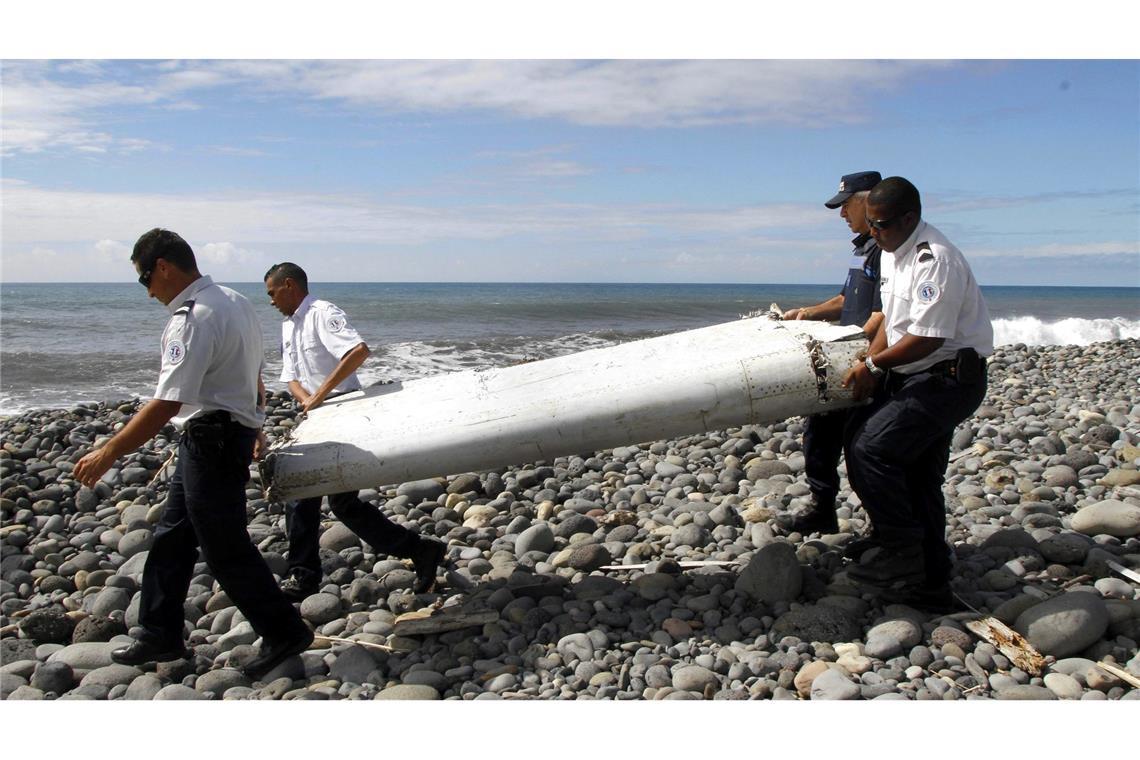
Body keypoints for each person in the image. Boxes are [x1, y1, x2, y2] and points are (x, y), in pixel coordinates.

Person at [74, 229, 312, 679]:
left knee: (224, 546)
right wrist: (254, 423)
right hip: (219, 434)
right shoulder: (235, 302)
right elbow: (251, 371)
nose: (148, 292)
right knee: (173, 535)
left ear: (163, 267)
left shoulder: (193, 316)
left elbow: (166, 403)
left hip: (213, 440)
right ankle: (158, 630)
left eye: (145, 279)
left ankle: (284, 630)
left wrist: (109, 451)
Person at [841, 177, 993, 608]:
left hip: (947, 379)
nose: (873, 233)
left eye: (882, 225)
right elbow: (892, 317)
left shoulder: (935, 261)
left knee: (873, 449)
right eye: (869, 224)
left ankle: (902, 550)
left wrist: (872, 365)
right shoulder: (893, 251)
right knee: (913, 473)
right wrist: (872, 362)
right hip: (915, 374)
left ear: (910, 218)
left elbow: (927, 337)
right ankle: (931, 582)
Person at [264, 262, 446, 600]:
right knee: (335, 502)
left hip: (343, 409)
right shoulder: (288, 326)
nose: (270, 301)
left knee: (312, 495)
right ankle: (420, 550)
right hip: (316, 415)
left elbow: (357, 351)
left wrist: (319, 396)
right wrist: (307, 401)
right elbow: (290, 375)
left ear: (289, 285)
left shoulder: (322, 313)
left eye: (272, 293)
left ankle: (302, 576)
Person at [778, 170, 885, 537]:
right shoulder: (862, 250)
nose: (841, 215)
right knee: (819, 434)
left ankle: (881, 526)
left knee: (863, 448)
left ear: (869, 202)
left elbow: (883, 314)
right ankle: (822, 507)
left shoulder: (887, 250)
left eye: (846, 206)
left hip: (868, 362)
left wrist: (863, 359)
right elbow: (845, 301)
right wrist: (806, 313)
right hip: (846, 357)